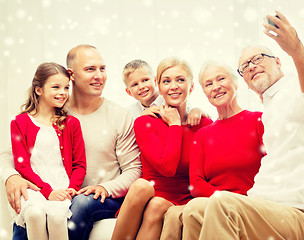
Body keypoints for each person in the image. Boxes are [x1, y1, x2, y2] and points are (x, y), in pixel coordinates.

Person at [182, 11, 304, 240]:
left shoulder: (294, 89)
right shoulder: (269, 111)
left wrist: (297, 51)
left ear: (278, 61)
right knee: (193, 211)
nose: (251, 66)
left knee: (223, 206)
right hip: (267, 208)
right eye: (245, 66)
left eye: (258, 58)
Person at [2, 44, 142, 240]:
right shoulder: (52, 107)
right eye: (90, 69)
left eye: (102, 69)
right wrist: (11, 177)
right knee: (30, 210)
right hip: (54, 190)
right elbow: (11, 153)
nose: (99, 76)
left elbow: (134, 169)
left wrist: (105, 188)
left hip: (101, 198)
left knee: (79, 205)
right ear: (71, 74)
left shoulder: (119, 115)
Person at [159, 62, 265, 240]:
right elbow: (196, 184)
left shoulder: (258, 120)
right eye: (208, 84)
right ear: (205, 92)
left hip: (250, 204)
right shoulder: (202, 134)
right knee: (174, 215)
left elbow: (272, 168)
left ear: (236, 83)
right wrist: (223, 200)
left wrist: (235, 201)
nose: (215, 87)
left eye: (221, 79)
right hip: (215, 204)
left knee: (191, 211)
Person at [111, 57, 213, 240]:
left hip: (184, 196)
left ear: (191, 87)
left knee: (157, 205)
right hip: (152, 192)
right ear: (159, 87)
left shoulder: (203, 123)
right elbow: (167, 168)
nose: (173, 86)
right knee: (151, 197)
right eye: (166, 81)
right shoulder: (144, 121)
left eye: (180, 80)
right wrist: (175, 126)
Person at [9, 62, 86, 240]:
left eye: (66, 87)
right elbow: (22, 166)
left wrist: (71, 189)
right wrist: (46, 191)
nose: (63, 92)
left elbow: (80, 164)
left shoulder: (71, 124)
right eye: (56, 87)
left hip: (62, 186)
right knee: (34, 214)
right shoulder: (19, 122)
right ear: (39, 90)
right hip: (34, 186)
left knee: (57, 217)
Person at [123, 59, 206, 125]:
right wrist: (142, 118)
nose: (141, 87)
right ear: (129, 92)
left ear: (155, 81)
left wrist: (197, 110)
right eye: (135, 84)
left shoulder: (169, 99)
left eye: (145, 80)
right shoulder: (130, 113)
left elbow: (187, 111)